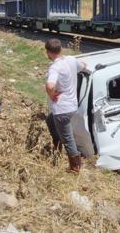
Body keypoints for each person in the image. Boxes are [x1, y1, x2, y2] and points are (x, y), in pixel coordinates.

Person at [44, 38, 87, 173]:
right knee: (50, 120)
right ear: (60, 49)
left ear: (49, 53)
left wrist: (51, 94)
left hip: (62, 109)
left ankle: (75, 168)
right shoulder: (71, 60)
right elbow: (84, 66)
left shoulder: (54, 67)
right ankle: (57, 148)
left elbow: (50, 85)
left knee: (68, 139)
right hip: (72, 106)